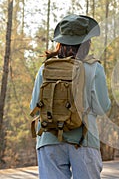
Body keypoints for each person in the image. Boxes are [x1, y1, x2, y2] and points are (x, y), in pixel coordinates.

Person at [30, 14, 111, 179]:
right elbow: (102, 108)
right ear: (86, 42)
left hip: (49, 139)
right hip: (83, 139)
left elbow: (34, 107)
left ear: (60, 41)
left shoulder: (45, 68)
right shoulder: (94, 68)